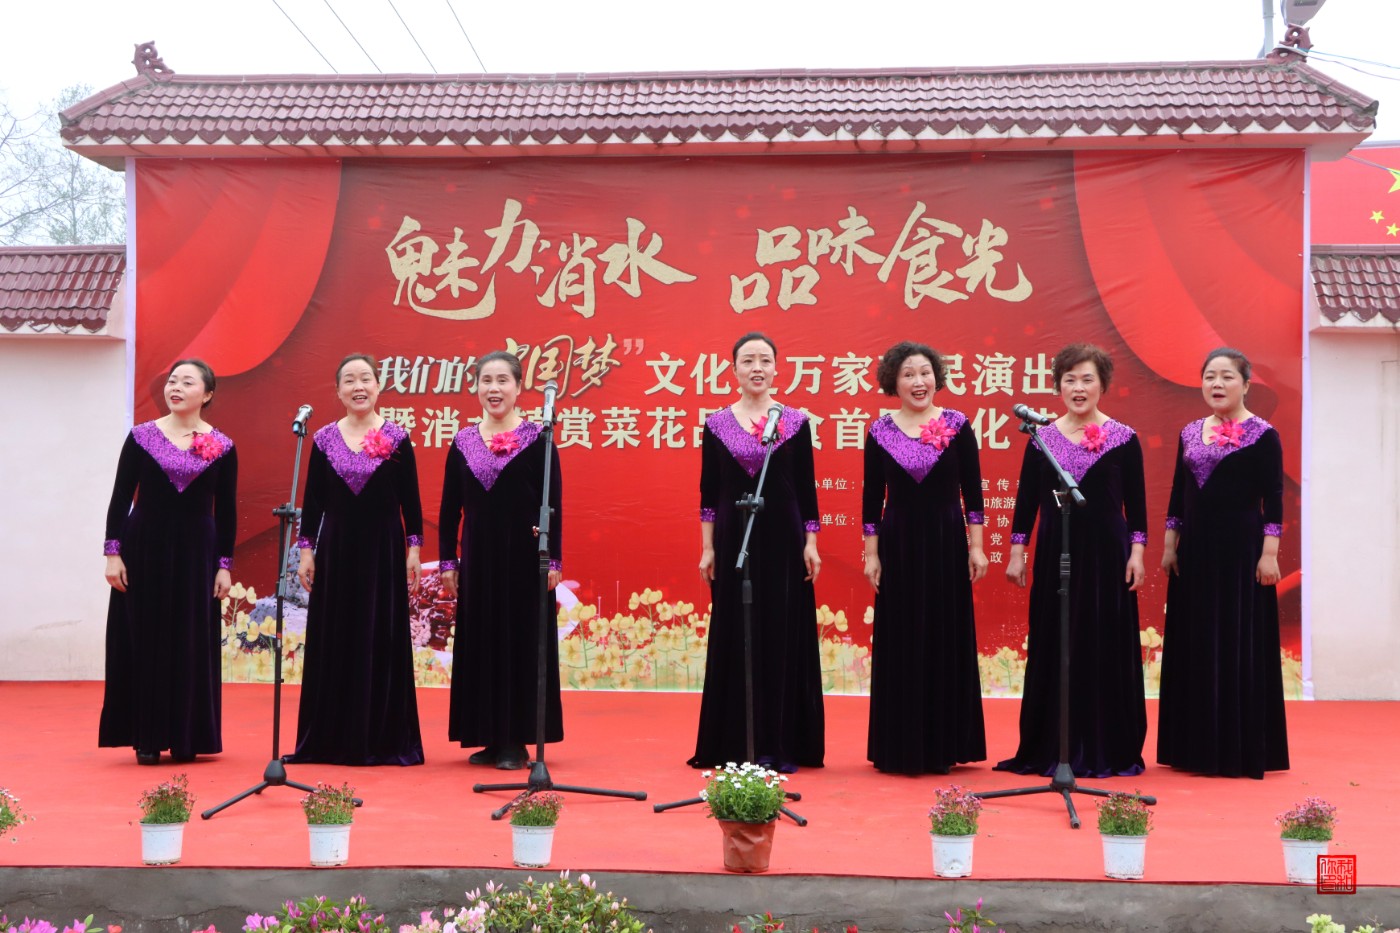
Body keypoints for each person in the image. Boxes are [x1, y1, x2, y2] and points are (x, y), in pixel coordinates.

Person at [997, 343, 1148, 778]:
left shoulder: (1123, 438)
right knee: (1055, 640)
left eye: (1087, 380)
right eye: (1069, 380)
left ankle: (1106, 747)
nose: (1078, 388)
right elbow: (1027, 500)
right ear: (1058, 386)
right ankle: (1051, 746)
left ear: (1103, 385)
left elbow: (1137, 505)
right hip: (1054, 554)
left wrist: (1137, 552)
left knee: (1103, 642)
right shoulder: (1041, 437)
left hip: (1107, 557)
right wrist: (1017, 551)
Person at [689, 332, 824, 772]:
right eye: (748, 360)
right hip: (735, 540)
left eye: (765, 360)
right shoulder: (716, 424)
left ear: (777, 368)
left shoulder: (795, 422)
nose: (757, 368)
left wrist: (811, 542)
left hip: (784, 539)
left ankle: (779, 742)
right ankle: (734, 741)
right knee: (736, 630)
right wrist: (708, 548)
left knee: (781, 632)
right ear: (734, 370)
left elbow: (806, 489)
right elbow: (709, 493)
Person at [1157, 348, 1288, 779]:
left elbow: (1274, 498)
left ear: (1246, 385)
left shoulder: (1264, 435)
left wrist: (1269, 554)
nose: (1217, 384)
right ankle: (1191, 746)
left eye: (1227, 376)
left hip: (1240, 555)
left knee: (1234, 640)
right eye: (1209, 376)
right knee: (1195, 640)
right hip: (1194, 554)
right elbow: (1178, 493)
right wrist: (1170, 545)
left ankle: (1234, 746)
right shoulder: (1190, 432)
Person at [100, 359, 237, 765]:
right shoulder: (142, 437)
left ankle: (185, 735)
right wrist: (113, 553)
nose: (176, 387)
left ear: (207, 394)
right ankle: (147, 735)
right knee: (145, 638)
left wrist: (224, 564)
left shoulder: (222, 445)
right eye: (173, 381)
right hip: (144, 549)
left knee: (189, 641)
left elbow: (227, 510)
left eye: (187, 382)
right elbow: (120, 496)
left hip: (197, 554)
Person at [291, 353, 425, 766]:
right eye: (349, 380)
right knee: (335, 636)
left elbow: (411, 501)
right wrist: (306, 550)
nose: (358, 386)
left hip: (383, 551)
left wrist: (414, 550)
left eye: (365, 378)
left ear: (378, 386)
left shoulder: (397, 437)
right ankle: (330, 738)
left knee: (380, 635)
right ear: (338, 391)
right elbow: (313, 501)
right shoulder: (323, 439)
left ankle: (381, 738)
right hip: (336, 550)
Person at [863, 341, 988, 775]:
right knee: (901, 637)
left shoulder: (958, 425)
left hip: (946, 543)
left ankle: (944, 742)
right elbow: (871, 499)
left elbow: (973, 494)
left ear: (936, 378)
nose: (919, 382)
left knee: (944, 634)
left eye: (925, 373)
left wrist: (976, 546)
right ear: (893, 382)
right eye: (908, 374)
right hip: (897, 545)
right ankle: (899, 744)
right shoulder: (880, 431)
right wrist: (871, 554)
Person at [439, 351, 563, 771]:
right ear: (476, 387)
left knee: (519, 642)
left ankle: (515, 741)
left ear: (518, 387)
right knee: (483, 641)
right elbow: (449, 508)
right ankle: (490, 736)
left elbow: (553, 504)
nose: (494, 388)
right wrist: (448, 561)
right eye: (486, 381)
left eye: (502, 380)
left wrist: (554, 559)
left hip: (526, 559)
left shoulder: (539, 438)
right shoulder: (463, 441)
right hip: (479, 558)